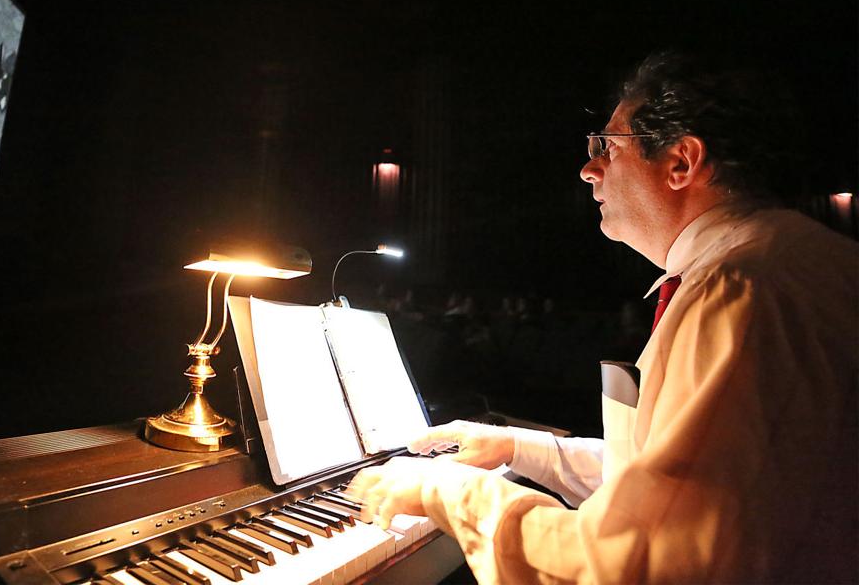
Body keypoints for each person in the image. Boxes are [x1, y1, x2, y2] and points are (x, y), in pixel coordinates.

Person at [347, 51, 857, 583]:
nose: (589, 168)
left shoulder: (738, 289)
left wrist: (446, 491)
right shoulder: (795, 259)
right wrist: (520, 448)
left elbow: (642, 560)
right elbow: (684, 481)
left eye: (608, 147)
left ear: (681, 162)